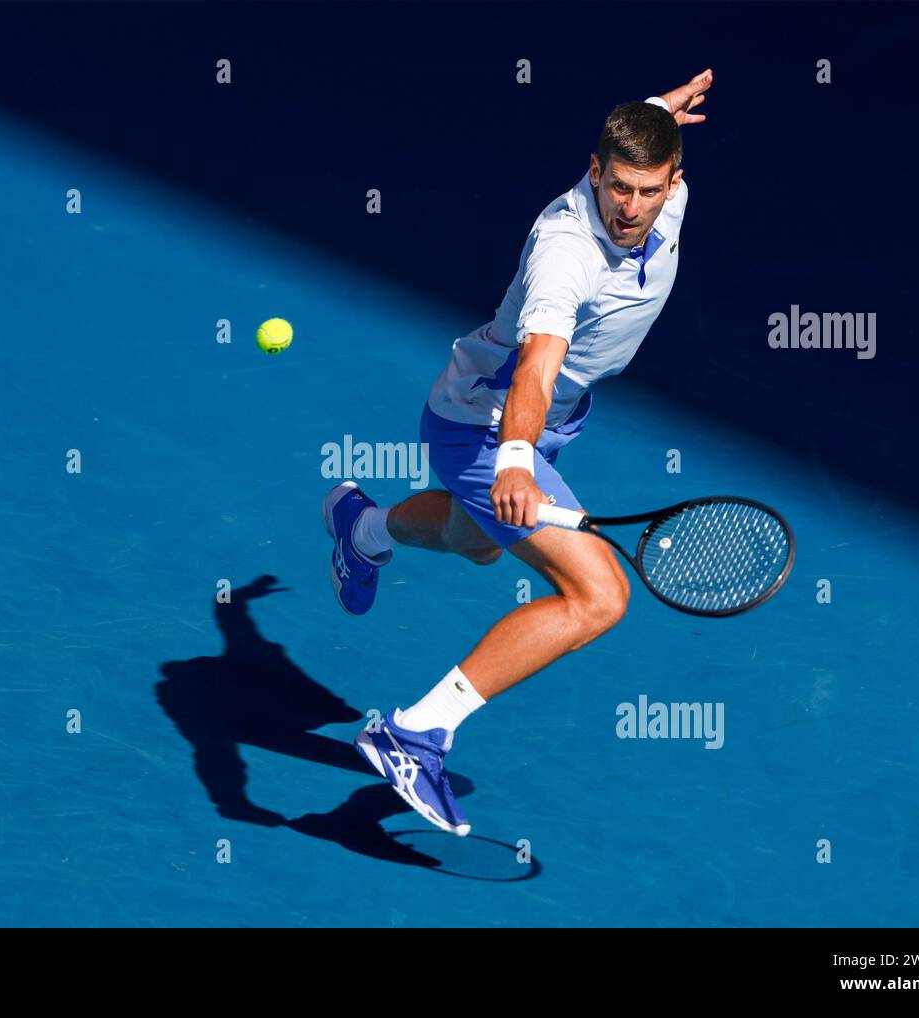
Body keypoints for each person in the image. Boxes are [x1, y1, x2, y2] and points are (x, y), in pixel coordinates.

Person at [323, 70, 714, 836]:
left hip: (550, 423)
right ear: (594, 172)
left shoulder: (660, 191)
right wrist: (511, 459)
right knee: (599, 595)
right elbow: (538, 362)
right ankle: (415, 732)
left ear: (674, 180)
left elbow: (642, 146)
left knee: (475, 544)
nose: (631, 208)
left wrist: (657, 110)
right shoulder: (567, 253)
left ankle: (360, 531)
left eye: (650, 190)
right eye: (619, 188)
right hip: (486, 424)